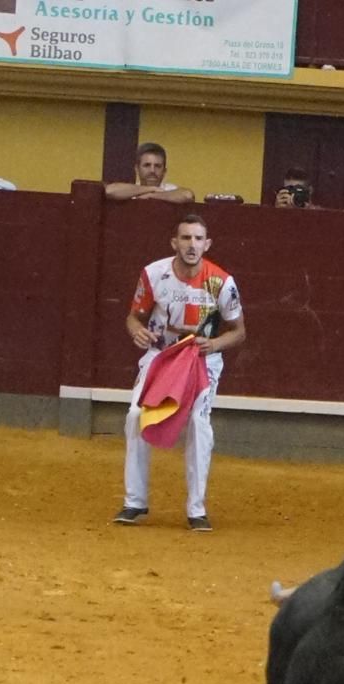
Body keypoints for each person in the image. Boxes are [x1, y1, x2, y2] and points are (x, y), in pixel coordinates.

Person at [113, 214, 245, 533]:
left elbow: (239, 332)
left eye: (198, 239)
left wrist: (213, 344)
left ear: (207, 244)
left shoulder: (221, 282)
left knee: (199, 423)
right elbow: (133, 317)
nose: (191, 245)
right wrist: (137, 332)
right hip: (161, 356)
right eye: (185, 238)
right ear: (174, 242)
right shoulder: (153, 274)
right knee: (135, 415)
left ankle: (196, 508)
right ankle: (135, 501)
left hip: (201, 359)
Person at [105, 142, 194, 203]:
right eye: (147, 165)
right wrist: (151, 189)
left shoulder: (170, 190)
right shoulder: (130, 190)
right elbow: (109, 191)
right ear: (137, 169)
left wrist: (151, 196)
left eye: (157, 166)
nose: (152, 170)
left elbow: (188, 195)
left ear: (164, 171)